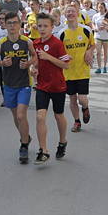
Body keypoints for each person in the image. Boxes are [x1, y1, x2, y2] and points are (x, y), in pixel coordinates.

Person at [0, 12, 36, 164]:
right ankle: (25, 137)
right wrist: (2, 63)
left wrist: (28, 64)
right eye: (9, 23)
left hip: (24, 84)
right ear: (5, 25)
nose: (12, 26)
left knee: (21, 116)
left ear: (19, 24)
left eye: (15, 22)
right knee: (16, 117)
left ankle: (23, 146)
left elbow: (35, 56)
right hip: (8, 85)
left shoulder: (27, 42)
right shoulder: (1, 44)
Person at [31, 13, 70, 163]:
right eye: (40, 26)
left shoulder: (57, 43)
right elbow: (35, 64)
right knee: (40, 116)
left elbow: (66, 65)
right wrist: (33, 70)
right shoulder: (35, 44)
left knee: (58, 115)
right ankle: (43, 150)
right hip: (42, 86)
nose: (42, 29)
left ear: (52, 27)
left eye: (45, 26)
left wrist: (48, 57)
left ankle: (62, 141)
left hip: (58, 85)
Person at [59, 6, 94, 133]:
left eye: (73, 11)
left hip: (83, 70)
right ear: (65, 15)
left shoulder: (86, 30)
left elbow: (92, 45)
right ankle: (77, 121)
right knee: (72, 98)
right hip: (68, 72)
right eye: (68, 11)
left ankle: (85, 108)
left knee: (82, 98)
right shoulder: (62, 33)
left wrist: (89, 52)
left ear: (77, 13)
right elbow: (59, 52)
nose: (70, 13)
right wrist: (64, 58)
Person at [91, 2, 108, 74]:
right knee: (98, 53)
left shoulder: (107, 16)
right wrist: (95, 28)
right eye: (99, 7)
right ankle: (99, 68)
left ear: (105, 8)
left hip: (106, 36)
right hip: (97, 36)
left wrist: (105, 27)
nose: (100, 9)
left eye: (102, 7)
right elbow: (92, 23)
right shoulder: (95, 16)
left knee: (105, 53)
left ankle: (104, 66)